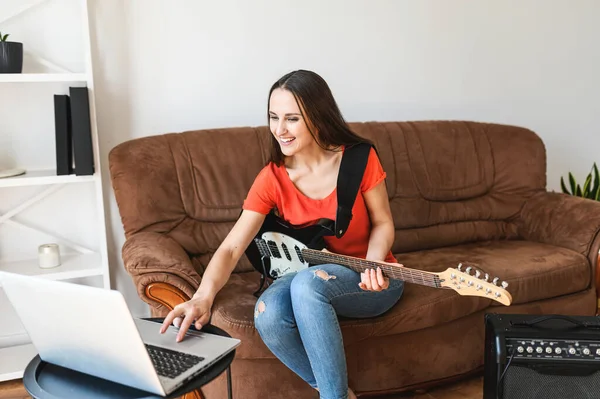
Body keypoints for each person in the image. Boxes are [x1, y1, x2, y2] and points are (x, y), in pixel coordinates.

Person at [161, 69, 405, 399]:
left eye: (292, 118)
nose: (279, 129)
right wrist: (202, 297)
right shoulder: (272, 178)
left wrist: (373, 265)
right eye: (274, 117)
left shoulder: (360, 158)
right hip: (310, 280)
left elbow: (383, 223)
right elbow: (233, 246)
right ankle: (337, 393)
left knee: (307, 285)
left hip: (372, 279)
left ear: (318, 118)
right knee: (268, 313)